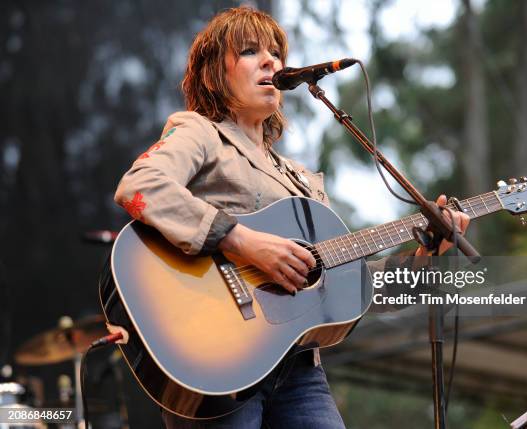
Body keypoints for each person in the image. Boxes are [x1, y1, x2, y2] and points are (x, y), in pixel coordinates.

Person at [109, 7, 470, 428]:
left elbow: (351, 288)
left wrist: (427, 258)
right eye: (249, 51)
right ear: (211, 77)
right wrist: (243, 241)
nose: (271, 62)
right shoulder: (200, 133)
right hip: (221, 357)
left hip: (300, 371)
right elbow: (140, 186)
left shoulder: (303, 181)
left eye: (276, 54)